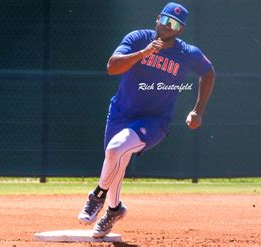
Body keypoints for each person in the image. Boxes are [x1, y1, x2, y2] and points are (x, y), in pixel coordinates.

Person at [78, 2, 215, 238]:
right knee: (115, 161)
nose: (167, 26)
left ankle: (97, 196)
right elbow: (112, 66)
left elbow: (208, 72)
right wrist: (144, 53)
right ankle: (114, 210)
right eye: (165, 20)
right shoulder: (138, 38)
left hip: (154, 121)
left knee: (116, 149)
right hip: (121, 112)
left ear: (180, 30)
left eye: (174, 24)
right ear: (157, 19)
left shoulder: (186, 53)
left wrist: (198, 111)